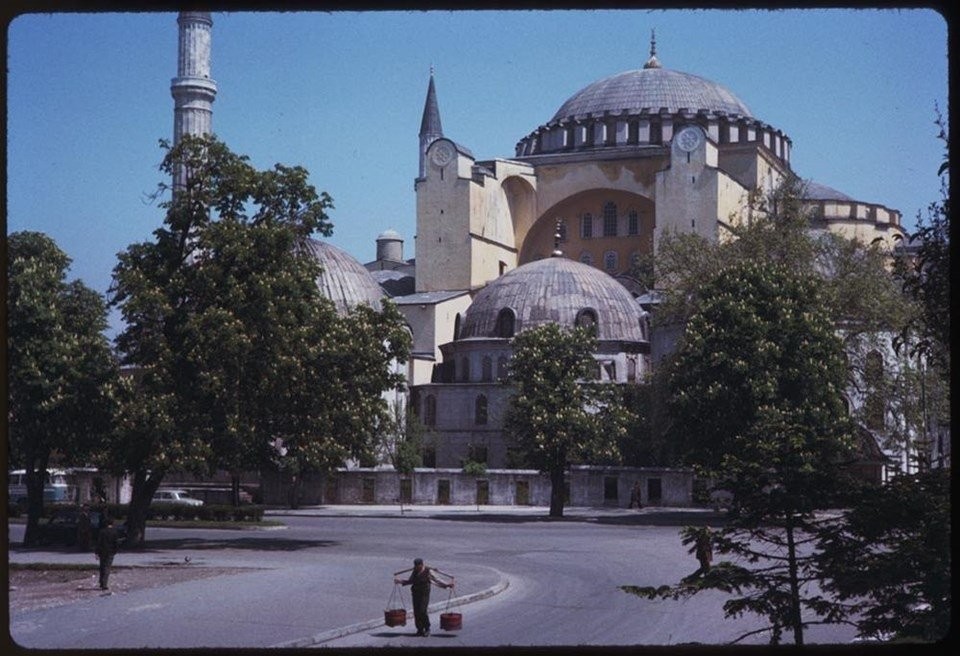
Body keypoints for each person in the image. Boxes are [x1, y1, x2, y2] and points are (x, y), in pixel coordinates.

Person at [394, 558, 454, 636]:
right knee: (416, 612)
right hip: (415, 593)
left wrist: (447, 584)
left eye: (418, 566)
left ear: (422, 565)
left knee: (422, 611)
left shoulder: (428, 571)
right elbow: (411, 580)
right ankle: (419, 629)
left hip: (424, 593)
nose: (416, 568)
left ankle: (427, 628)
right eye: (415, 566)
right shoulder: (415, 571)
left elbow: (437, 580)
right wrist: (400, 581)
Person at [95, 516, 119, 591]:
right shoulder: (114, 532)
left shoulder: (102, 531)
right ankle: (104, 584)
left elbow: (99, 543)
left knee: (102, 566)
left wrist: (96, 552)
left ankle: (101, 582)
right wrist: (115, 551)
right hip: (110, 551)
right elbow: (116, 543)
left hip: (102, 551)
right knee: (107, 567)